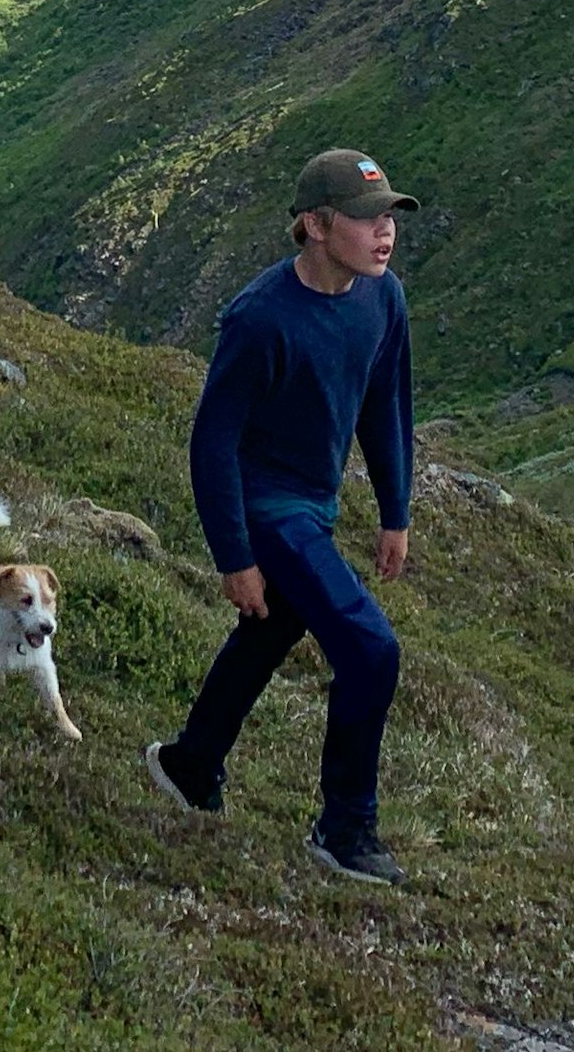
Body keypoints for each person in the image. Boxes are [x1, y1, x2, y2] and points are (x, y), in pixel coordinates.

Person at [144, 146, 419, 887]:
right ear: (317, 224)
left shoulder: (381, 298)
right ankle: (344, 828)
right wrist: (235, 554)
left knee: (273, 630)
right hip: (268, 508)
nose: (385, 231)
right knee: (370, 648)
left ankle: (188, 763)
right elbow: (212, 441)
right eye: (367, 219)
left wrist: (396, 510)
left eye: (389, 215)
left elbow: (386, 405)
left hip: (316, 505)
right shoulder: (260, 317)